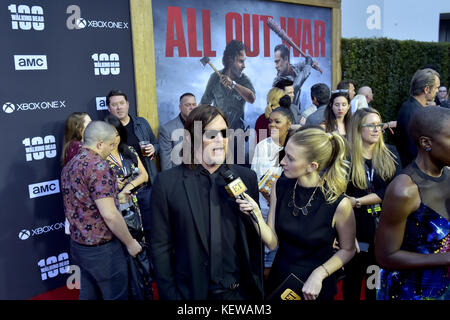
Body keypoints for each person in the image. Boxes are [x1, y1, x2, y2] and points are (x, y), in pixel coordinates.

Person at [150, 105, 263, 300]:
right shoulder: (167, 183)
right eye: (211, 135)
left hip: (239, 295)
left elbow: (254, 240)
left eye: (224, 133)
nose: (220, 140)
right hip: (190, 295)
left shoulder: (247, 177)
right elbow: (161, 247)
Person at [238, 127, 356, 300]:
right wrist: (255, 213)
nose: (282, 162)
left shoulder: (338, 203)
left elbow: (348, 249)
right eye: (284, 154)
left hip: (316, 287)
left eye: (290, 158)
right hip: (281, 280)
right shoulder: (281, 186)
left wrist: (320, 274)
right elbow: (272, 243)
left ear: (312, 166)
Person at [375, 106, 450, 300]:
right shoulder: (404, 190)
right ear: (426, 142)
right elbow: (385, 256)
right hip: (410, 291)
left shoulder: (448, 174)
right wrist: (445, 258)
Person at [61, 121, 142, 300]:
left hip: (78, 247)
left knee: (89, 295)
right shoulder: (97, 166)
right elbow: (110, 214)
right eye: (111, 144)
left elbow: (84, 201)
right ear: (99, 144)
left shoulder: (70, 164)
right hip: (103, 252)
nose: (112, 149)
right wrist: (130, 243)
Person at [343, 108, 401, 300]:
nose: (377, 130)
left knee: (373, 284)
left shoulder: (390, 153)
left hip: (383, 232)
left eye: (379, 125)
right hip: (355, 232)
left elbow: (394, 191)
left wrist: (358, 201)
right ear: (358, 128)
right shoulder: (346, 158)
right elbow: (338, 195)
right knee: (351, 281)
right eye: (371, 125)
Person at [107, 89, 159, 243]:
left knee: (151, 227)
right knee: (131, 232)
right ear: (109, 108)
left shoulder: (141, 123)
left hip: (145, 185)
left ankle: (151, 262)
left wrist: (154, 148)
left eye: (122, 103)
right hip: (123, 193)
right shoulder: (106, 130)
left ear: (128, 104)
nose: (119, 107)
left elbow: (155, 143)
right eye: (114, 105)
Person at [251, 107, 294, 273]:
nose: (272, 125)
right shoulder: (262, 146)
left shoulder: (295, 145)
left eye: (277, 121)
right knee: (267, 254)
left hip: (290, 210)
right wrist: (272, 200)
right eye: (270, 122)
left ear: (289, 124)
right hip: (265, 209)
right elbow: (256, 179)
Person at [104, 114, 148, 241]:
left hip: (135, 204)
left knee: (140, 242)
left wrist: (128, 187)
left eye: (117, 134)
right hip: (115, 208)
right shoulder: (100, 158)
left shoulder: (129, 150)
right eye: (111, 135)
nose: (114, 139)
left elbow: (144, 175)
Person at [200, 40, 255, 130]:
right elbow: (204, 103)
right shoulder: (214, 78)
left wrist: (233, 84)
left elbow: (251, 98)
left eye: (244, 61)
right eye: (241, 61)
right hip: (218, 133)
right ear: (230, 60)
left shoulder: (244, 80)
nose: (244, 66)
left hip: (237, 134)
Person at [396, 68, 440, 168]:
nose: (437, 91)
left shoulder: (410, 108)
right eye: (436, 87)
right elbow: (414, 150)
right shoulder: (413, 113)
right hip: (414, 172)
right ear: (426, 89)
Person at [61, 112, 92, 235]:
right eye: (89, 122)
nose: (92, 124)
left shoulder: (77, 146)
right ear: (79, 127)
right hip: (83, 210)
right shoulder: (76, 147)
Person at [272, 44, 319, 111]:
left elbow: (302, 64)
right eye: (275, 62)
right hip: (284, 116)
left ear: (286, 59)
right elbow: (297, 84)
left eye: (277, 62)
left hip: (295, 113)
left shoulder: (293, 68)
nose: (276, 66)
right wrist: (308, 64)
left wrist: (311, 62)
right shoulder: (278, 82)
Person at [159, 93, 197, 171]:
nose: (192, 108)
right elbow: (166, 166)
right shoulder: (167, 129)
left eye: (194, 104)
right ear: (180, 107)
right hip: (181, 177)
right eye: (188, 105)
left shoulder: (203, 124)